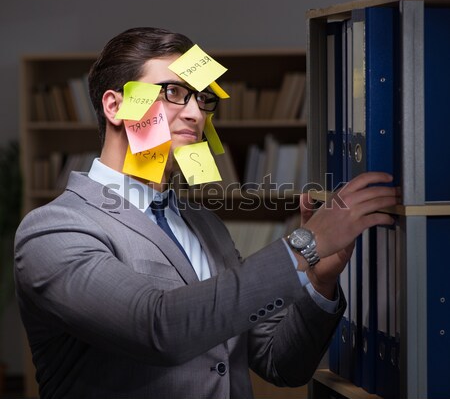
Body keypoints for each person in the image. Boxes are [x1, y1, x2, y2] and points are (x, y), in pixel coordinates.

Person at [14, 27, 398, 399]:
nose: (196, 114)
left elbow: (280, 364)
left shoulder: (205, 224)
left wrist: (318, 280)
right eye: (175, 92)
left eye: (201, 98)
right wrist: (302, 246)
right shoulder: (55, 229)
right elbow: (157, 327)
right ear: (116, 107)